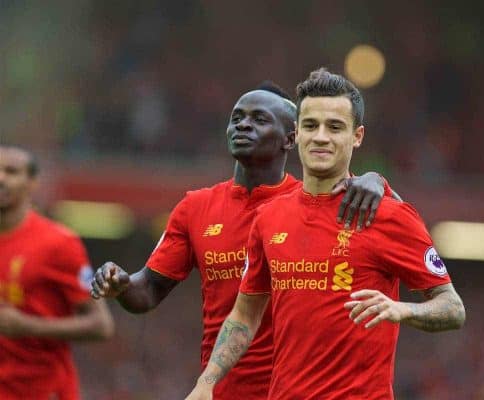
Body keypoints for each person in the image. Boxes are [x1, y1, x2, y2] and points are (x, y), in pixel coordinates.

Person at [91, 82, 401, 400]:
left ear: (291, 138)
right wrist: (122, 284)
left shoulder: (313, 202)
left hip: (298, 391)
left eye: (259, 119)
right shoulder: (196, 208)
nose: (243, 124)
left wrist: (377, 182)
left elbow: (400, 225)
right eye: (237, 117)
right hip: (223, 391)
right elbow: (149, 290)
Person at [186, 69, 466, 400]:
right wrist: (207, 382)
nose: (321, 137)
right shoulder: (268, 218)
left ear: (357, 135)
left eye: (335, 127)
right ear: (296, 133)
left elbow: (452, 308)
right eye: (310, 125)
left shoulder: (387, 215)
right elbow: (245, 314)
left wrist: (401, 309)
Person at [0, 145, 115, 400]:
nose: (1, 178)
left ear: (32, 183)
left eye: (11, 171)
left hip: (42, 391)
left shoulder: (58, 243)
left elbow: (101, 325)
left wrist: (29, 326)